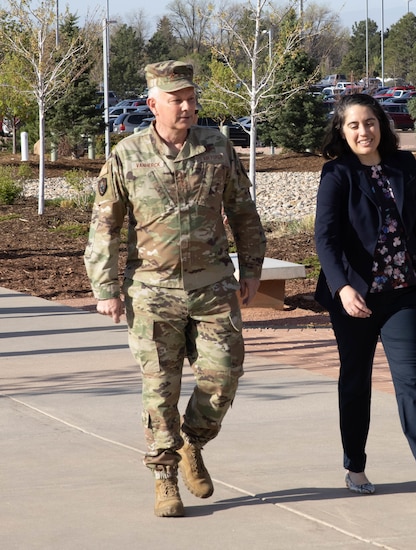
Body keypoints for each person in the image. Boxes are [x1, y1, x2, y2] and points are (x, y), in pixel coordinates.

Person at [84, 60, 266, 517]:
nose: (186, 107)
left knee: (224, 377)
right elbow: (105, 226)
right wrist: (104, 287)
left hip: (214, 288)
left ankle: (192, 442)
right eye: (175, 99)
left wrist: (252, 268)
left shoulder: (218, 147)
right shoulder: (127, 154)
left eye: (190, 98)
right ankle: (164, 476)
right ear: (153, 105)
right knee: (160, 388)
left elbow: (243, 211)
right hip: (152, 292)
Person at [314, 93, 416, 506]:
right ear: (342, 132)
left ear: (382, 125)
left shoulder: (405, 166)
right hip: (354, 299)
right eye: (354, 125)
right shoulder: (336, 174)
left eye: (370, 122)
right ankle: (355, 465)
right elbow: (324, 239)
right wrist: (343, 287)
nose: (364, 131)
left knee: (410, 384)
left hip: (403, 294)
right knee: (356, 381)